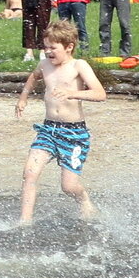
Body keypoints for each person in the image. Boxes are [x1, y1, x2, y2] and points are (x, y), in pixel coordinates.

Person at [14, 20, 105, 224]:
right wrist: (23, 98)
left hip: (74, 134)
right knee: (29, 172)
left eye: (53, 48)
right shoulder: (44, 65)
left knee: (68, 187)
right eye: (45, 47)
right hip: (48, 129)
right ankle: (25, 220)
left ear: (69, 46)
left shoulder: (78, 65)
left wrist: (72, 93)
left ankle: (84, 199)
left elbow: (100, 94)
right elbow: (33, 77)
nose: (48, 52)